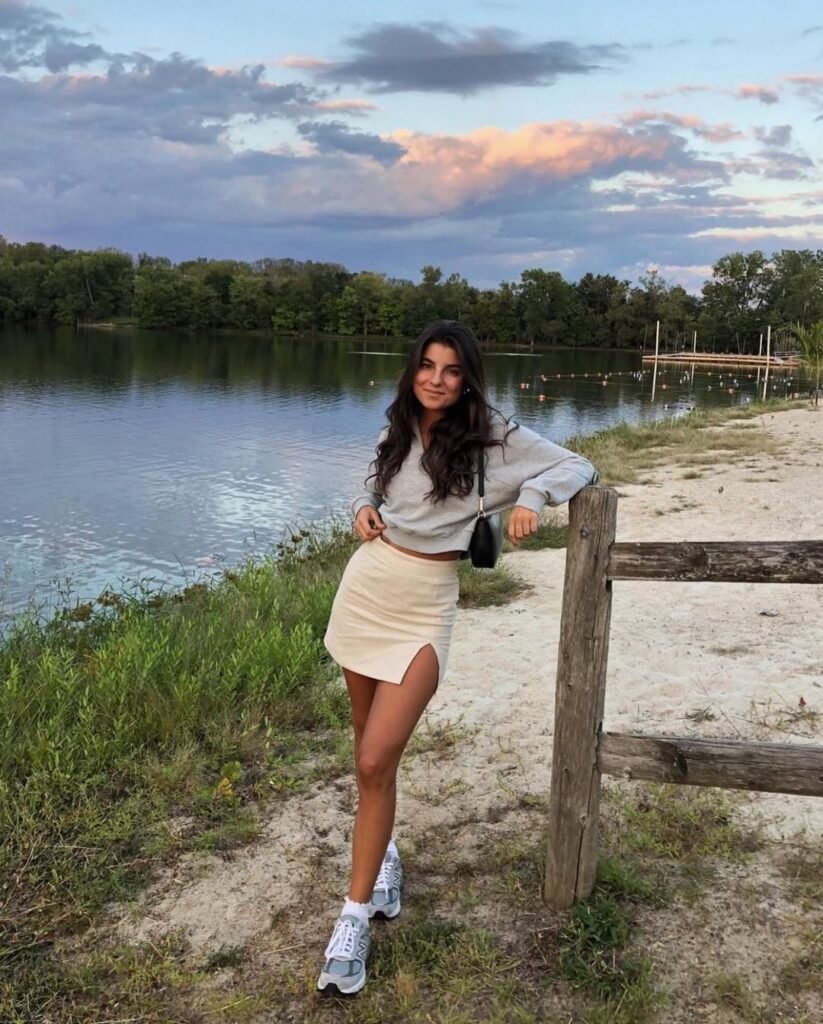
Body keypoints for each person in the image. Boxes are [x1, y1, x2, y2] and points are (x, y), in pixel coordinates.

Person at [316, 320, 597, 995]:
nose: (435, 380)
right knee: (366, 750)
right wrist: (361, 505)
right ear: (412, 369)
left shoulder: (492, 435)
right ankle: (380, 867)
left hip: (423, 604)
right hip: (367, 586)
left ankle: (350, 919)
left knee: (375, 757)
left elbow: (577, 465)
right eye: (426, 366)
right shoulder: (400, 423)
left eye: (449, 370)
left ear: (468, 377)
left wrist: (530, 498)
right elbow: (369, 478)